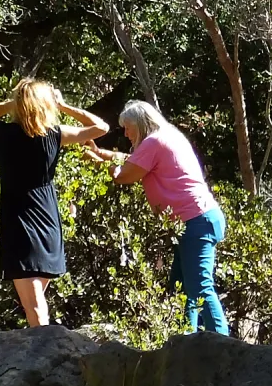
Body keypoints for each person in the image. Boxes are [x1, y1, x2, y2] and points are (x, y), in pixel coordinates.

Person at [0, 79, 110, 326]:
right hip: (47, 217)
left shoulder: (4, 133)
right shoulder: (56, 135)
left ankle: (44, 346)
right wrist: (64, 106)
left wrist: (12, 103)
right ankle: (42, 341)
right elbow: (101, 127)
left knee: (34, 305)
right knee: (34, 301)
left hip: (19, 218)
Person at [89, 100, 230, 335]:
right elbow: (132, 160)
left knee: (200, 287)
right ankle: (185, 341)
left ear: (140, 124)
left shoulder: (154, 141)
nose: (126, 134)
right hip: (198, 220)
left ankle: (223, 344)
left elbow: (124, 175)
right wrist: (101, 154)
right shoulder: (167, 136)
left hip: (196, 221)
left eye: (128, 128)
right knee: (181, 288)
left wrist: (100, 165)